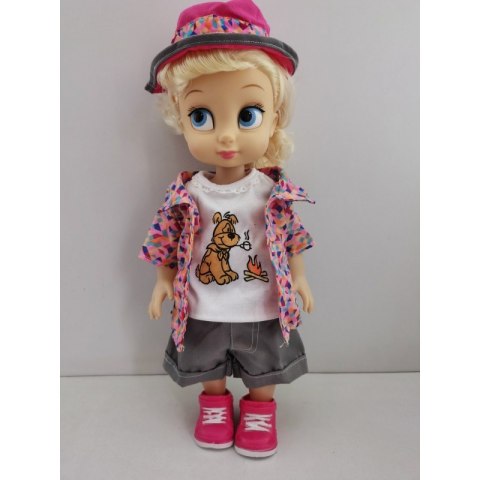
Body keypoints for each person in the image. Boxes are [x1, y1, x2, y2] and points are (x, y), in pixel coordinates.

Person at [139, 0, 315, 458]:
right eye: (202, 117)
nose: (227, 136)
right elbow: (165, 239)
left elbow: (291, 235)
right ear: (181, 119)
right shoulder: (187, 192)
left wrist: (299, 277)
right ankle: (215, 406)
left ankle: (259, 411)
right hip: (204, 304)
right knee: (208, 366)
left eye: (248, 114)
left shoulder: (272, 190)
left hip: (262, 305)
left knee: (264, 368)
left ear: (274, 117)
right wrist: (162, 280)